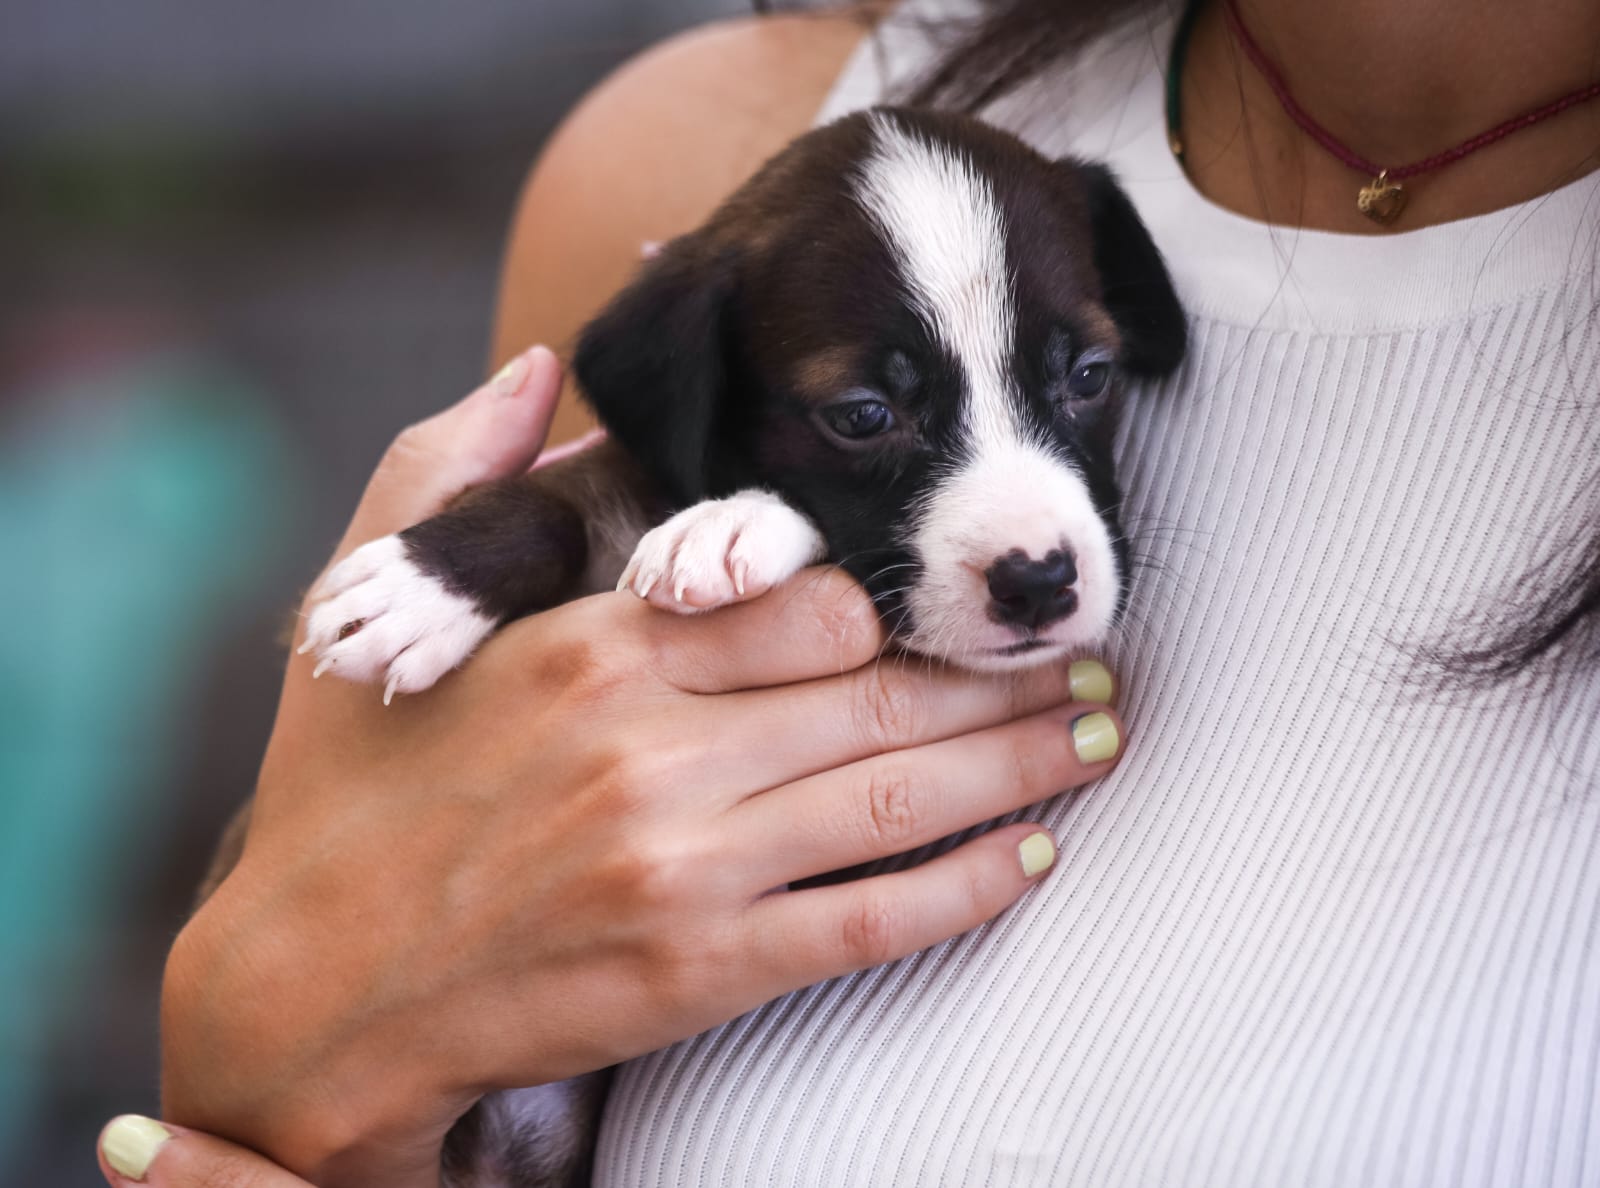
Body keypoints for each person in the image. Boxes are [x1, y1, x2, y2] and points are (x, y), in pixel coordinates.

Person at [100, 0, 1600, 1184]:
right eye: (868, 417)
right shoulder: (710, 156)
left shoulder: (1055, 223)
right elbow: (339, 1034)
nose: (1033, 539)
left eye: (1082, 381)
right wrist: (283, 1034)